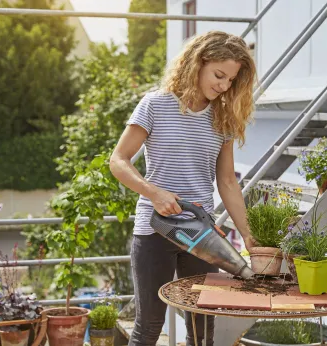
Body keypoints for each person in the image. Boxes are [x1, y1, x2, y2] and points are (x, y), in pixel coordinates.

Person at [110, 30, 257, 346]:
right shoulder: (156, 104)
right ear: (198, 62)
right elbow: (118, 160)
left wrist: (247, 234)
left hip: (201, 235)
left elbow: (228, 181)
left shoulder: (223, 119)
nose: (223, 85)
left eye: (231, 80)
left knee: (202, 330)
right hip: (154, 229)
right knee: (149, 327)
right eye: (219, 75)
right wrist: (154, 193)